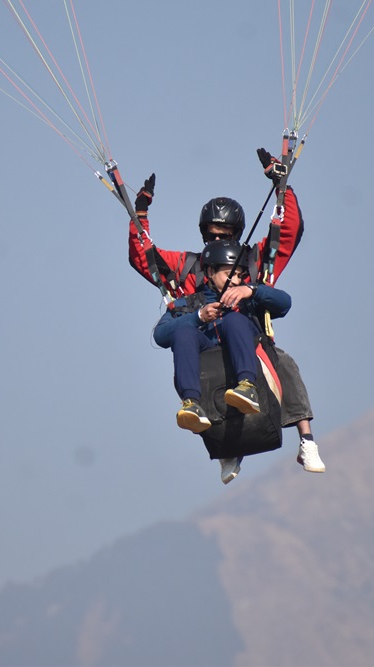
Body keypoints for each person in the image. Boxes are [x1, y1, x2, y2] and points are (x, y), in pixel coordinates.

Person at [127, 149, 325, 474]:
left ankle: (306, 440)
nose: (216, 240)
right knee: (192, 344)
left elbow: (287, 231)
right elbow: (145, 257)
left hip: (251, 340)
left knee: (285, 365)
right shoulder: (189, 268)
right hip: (207, 345)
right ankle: (225, 445)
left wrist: (281, 186)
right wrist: (140, 214)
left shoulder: (252, 263)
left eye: (225, 236)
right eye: (211, 235)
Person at [153, 240, 292, 484]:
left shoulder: (247, 299)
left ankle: (247, 386)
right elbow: (161, 336)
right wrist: (199, 317)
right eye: (230, 274)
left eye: (240, 275)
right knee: (183, 332)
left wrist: (253, 290)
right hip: (209, 366)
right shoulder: (191, 303)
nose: (236, 280)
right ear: (209, 272)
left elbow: (285, 303)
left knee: (234, 321)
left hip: (247, 361)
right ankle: (191, 403)